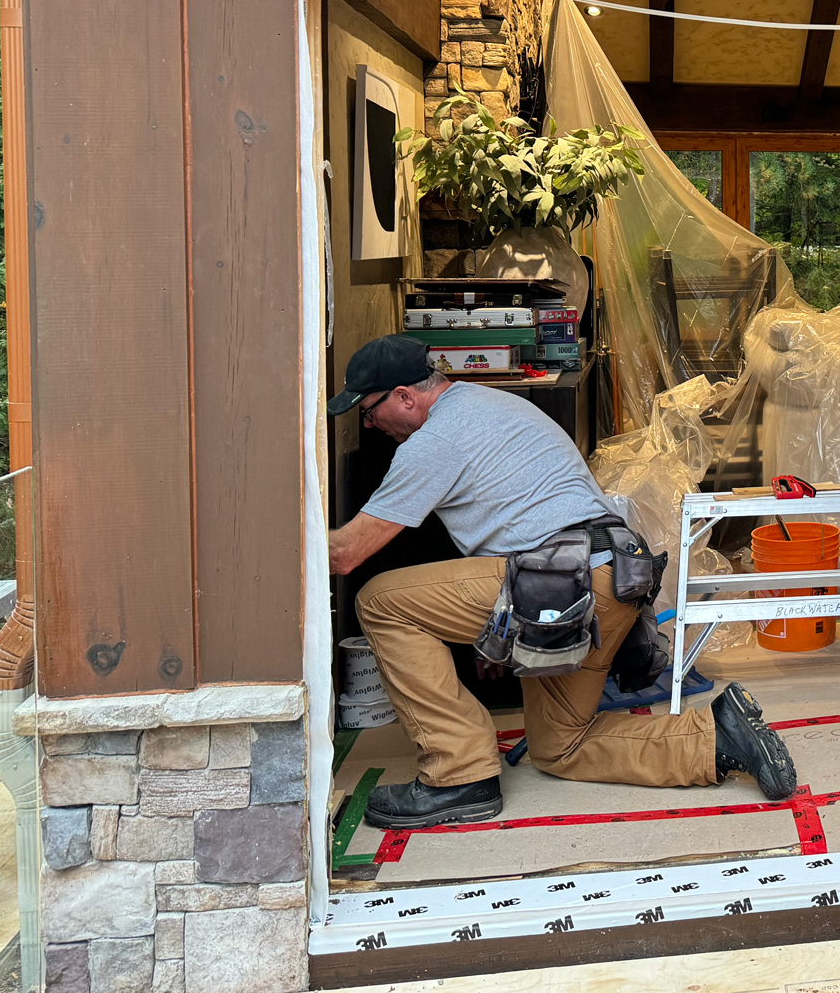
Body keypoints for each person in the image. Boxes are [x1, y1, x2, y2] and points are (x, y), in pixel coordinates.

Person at [326, 334, 796, 829]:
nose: (368, 423)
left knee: (381, 600)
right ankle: (717, 736)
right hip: (611, 579)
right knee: (559, 746)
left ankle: (458, 775)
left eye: (370, 409)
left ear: (403, 396)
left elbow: (347, 553)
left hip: (568, 581)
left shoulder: (434, 441)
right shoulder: (492, 404)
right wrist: (502, 634)